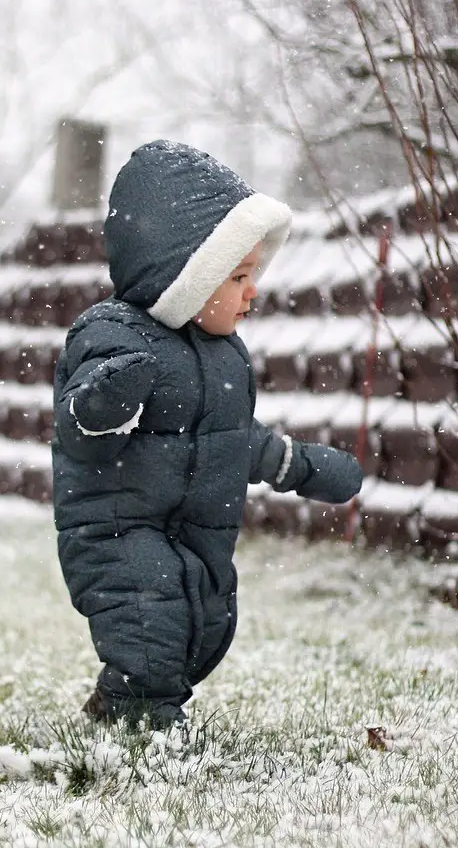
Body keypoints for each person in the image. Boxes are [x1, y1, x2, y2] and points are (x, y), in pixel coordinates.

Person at [51, 140, 363, 729]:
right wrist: (107, 400)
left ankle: (120, 703)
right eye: (238, 275)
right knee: (151, 618)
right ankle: (144, 724)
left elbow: (231, 439)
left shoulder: (224, 358)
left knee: (204, 620)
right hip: (117, 527)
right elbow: (81, 433)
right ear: (185, 278)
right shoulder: (113, 337)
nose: (253, 291)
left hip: (194, 528)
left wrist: (299, 465)